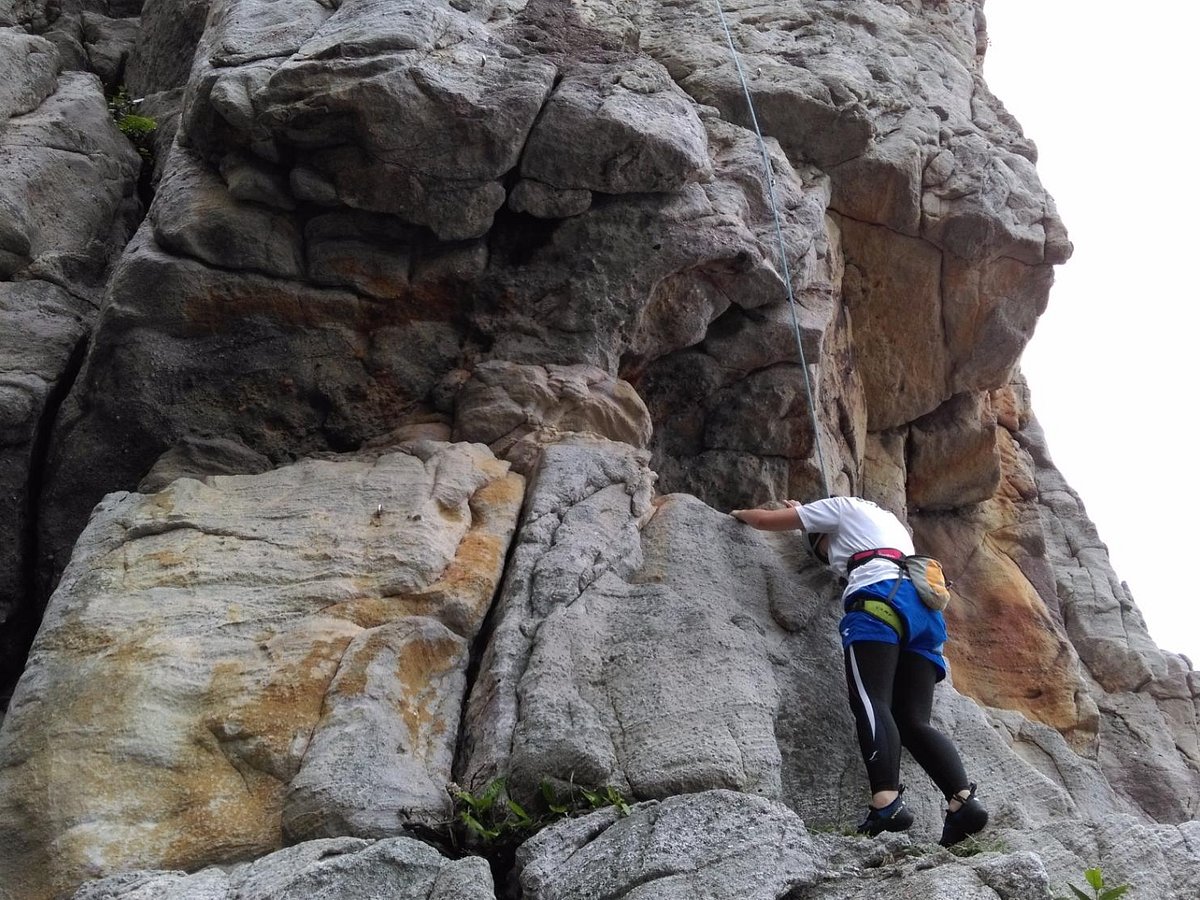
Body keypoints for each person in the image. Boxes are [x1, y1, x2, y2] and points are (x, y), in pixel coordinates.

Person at [730, 494, 989, 846]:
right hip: (925, 611)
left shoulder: (841, 507)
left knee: (871, 700)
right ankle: (963, 802)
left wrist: (741, 511)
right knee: (913, 722)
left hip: (880, 599)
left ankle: (886, 802)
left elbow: (762, 520)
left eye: (819, 549)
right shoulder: (892, 527)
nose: (823, 558)